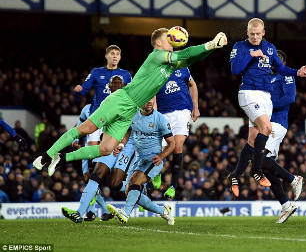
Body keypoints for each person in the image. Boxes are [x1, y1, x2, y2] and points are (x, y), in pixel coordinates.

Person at [33, 29, 227, 175]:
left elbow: (190, 58)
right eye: (168, 38)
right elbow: (183, 55)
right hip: (121, 100)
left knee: (106, 149)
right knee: (86, 129)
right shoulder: (156, 56)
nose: (172, 40)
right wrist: (210, 43)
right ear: (158, 43)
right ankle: (47, 155)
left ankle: (61, 157)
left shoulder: (168, 64)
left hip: (131, 110)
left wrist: (214, 47)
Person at [229, 18, 306, 187]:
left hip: (265, 96)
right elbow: (235, 70)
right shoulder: (240, 47)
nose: (255, 37)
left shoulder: (270, 48)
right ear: (247, 32)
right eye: (252, 34)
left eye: (258, 34)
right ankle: (257, 171)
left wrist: (297, 72)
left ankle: (235, 174)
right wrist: (251, 55)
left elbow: (280, 68)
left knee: (252, 140)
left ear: (264, 33)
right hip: (249, 92)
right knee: (266, 128)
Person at [229, 50, 303, 223]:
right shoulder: (264, 79)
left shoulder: (285, 76)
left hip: (276, 123)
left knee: (258, 160)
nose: (269, 64)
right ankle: (286, 205)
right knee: (266, 167)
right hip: (264, 123)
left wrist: (266, 105)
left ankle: (293, 179)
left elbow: (290, 98)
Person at [61, 76, 133, 222]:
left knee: (115, 184)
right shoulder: (101, 105)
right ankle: (80, 213)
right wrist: (75, 139)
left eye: (120, 83)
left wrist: (121, 144)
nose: (117, 86)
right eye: (114, 84)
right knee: (96, 175)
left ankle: (138, 188)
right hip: (107, 145)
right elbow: (83, 126)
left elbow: (129, 130)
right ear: (109, 87)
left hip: (124, 146)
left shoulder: (128, 102)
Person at [107, 98, 176, 225]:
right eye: (147, 100)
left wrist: (161, 156)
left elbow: (172, 144)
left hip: (154, 159)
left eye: (152, 101)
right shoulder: (133, 115)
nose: (149, 103)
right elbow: (127, 133)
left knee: (135, 181)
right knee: (131, 191)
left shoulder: (159, 119)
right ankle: (163, 211)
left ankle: (125, 213)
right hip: (138, 159)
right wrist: (121, 145)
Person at [73, 45, 132, 147]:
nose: (115, 56)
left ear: (120, 57)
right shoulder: (96, 72)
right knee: (92, 148)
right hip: (97, 114)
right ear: (106, 56)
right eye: (112, 54)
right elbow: (85, 88)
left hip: (114, 116)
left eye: (117, 54)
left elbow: (132, 93)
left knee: (110, 149)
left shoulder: (126, 74)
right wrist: (79, 90)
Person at [155, 67, 200, 200]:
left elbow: (193, 85)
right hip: (163, 113)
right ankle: (157, 173)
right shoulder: (156, 69)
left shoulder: (183, 67)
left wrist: (195, 107)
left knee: (177, 147)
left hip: (182, 111)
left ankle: (173, 186)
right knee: (161, 149)